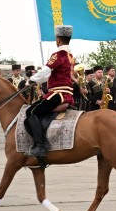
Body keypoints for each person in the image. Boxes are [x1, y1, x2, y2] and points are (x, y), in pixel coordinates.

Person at [25, 25, 77, 165]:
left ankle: (40, 146)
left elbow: (46, 72)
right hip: (68, 94)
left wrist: (31, 80)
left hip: (57, 94)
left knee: (31, 112)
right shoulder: (71, 56)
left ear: (58, 40)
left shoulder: (58, 55)